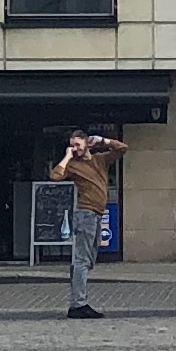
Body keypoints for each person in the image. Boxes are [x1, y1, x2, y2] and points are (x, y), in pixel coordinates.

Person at [50, 129, 123, 319]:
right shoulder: (73, 165)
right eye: (72, 145)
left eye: (77, 145)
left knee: (87, 260)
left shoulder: (100, 160)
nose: (75, 148)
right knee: (82, 260)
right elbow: (55, 176)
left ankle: (78, 299)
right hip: (85, 213)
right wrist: (67, 157)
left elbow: (122, 149)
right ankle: (78, 305)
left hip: (97, 214)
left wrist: (102, 140)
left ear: (86, 143)